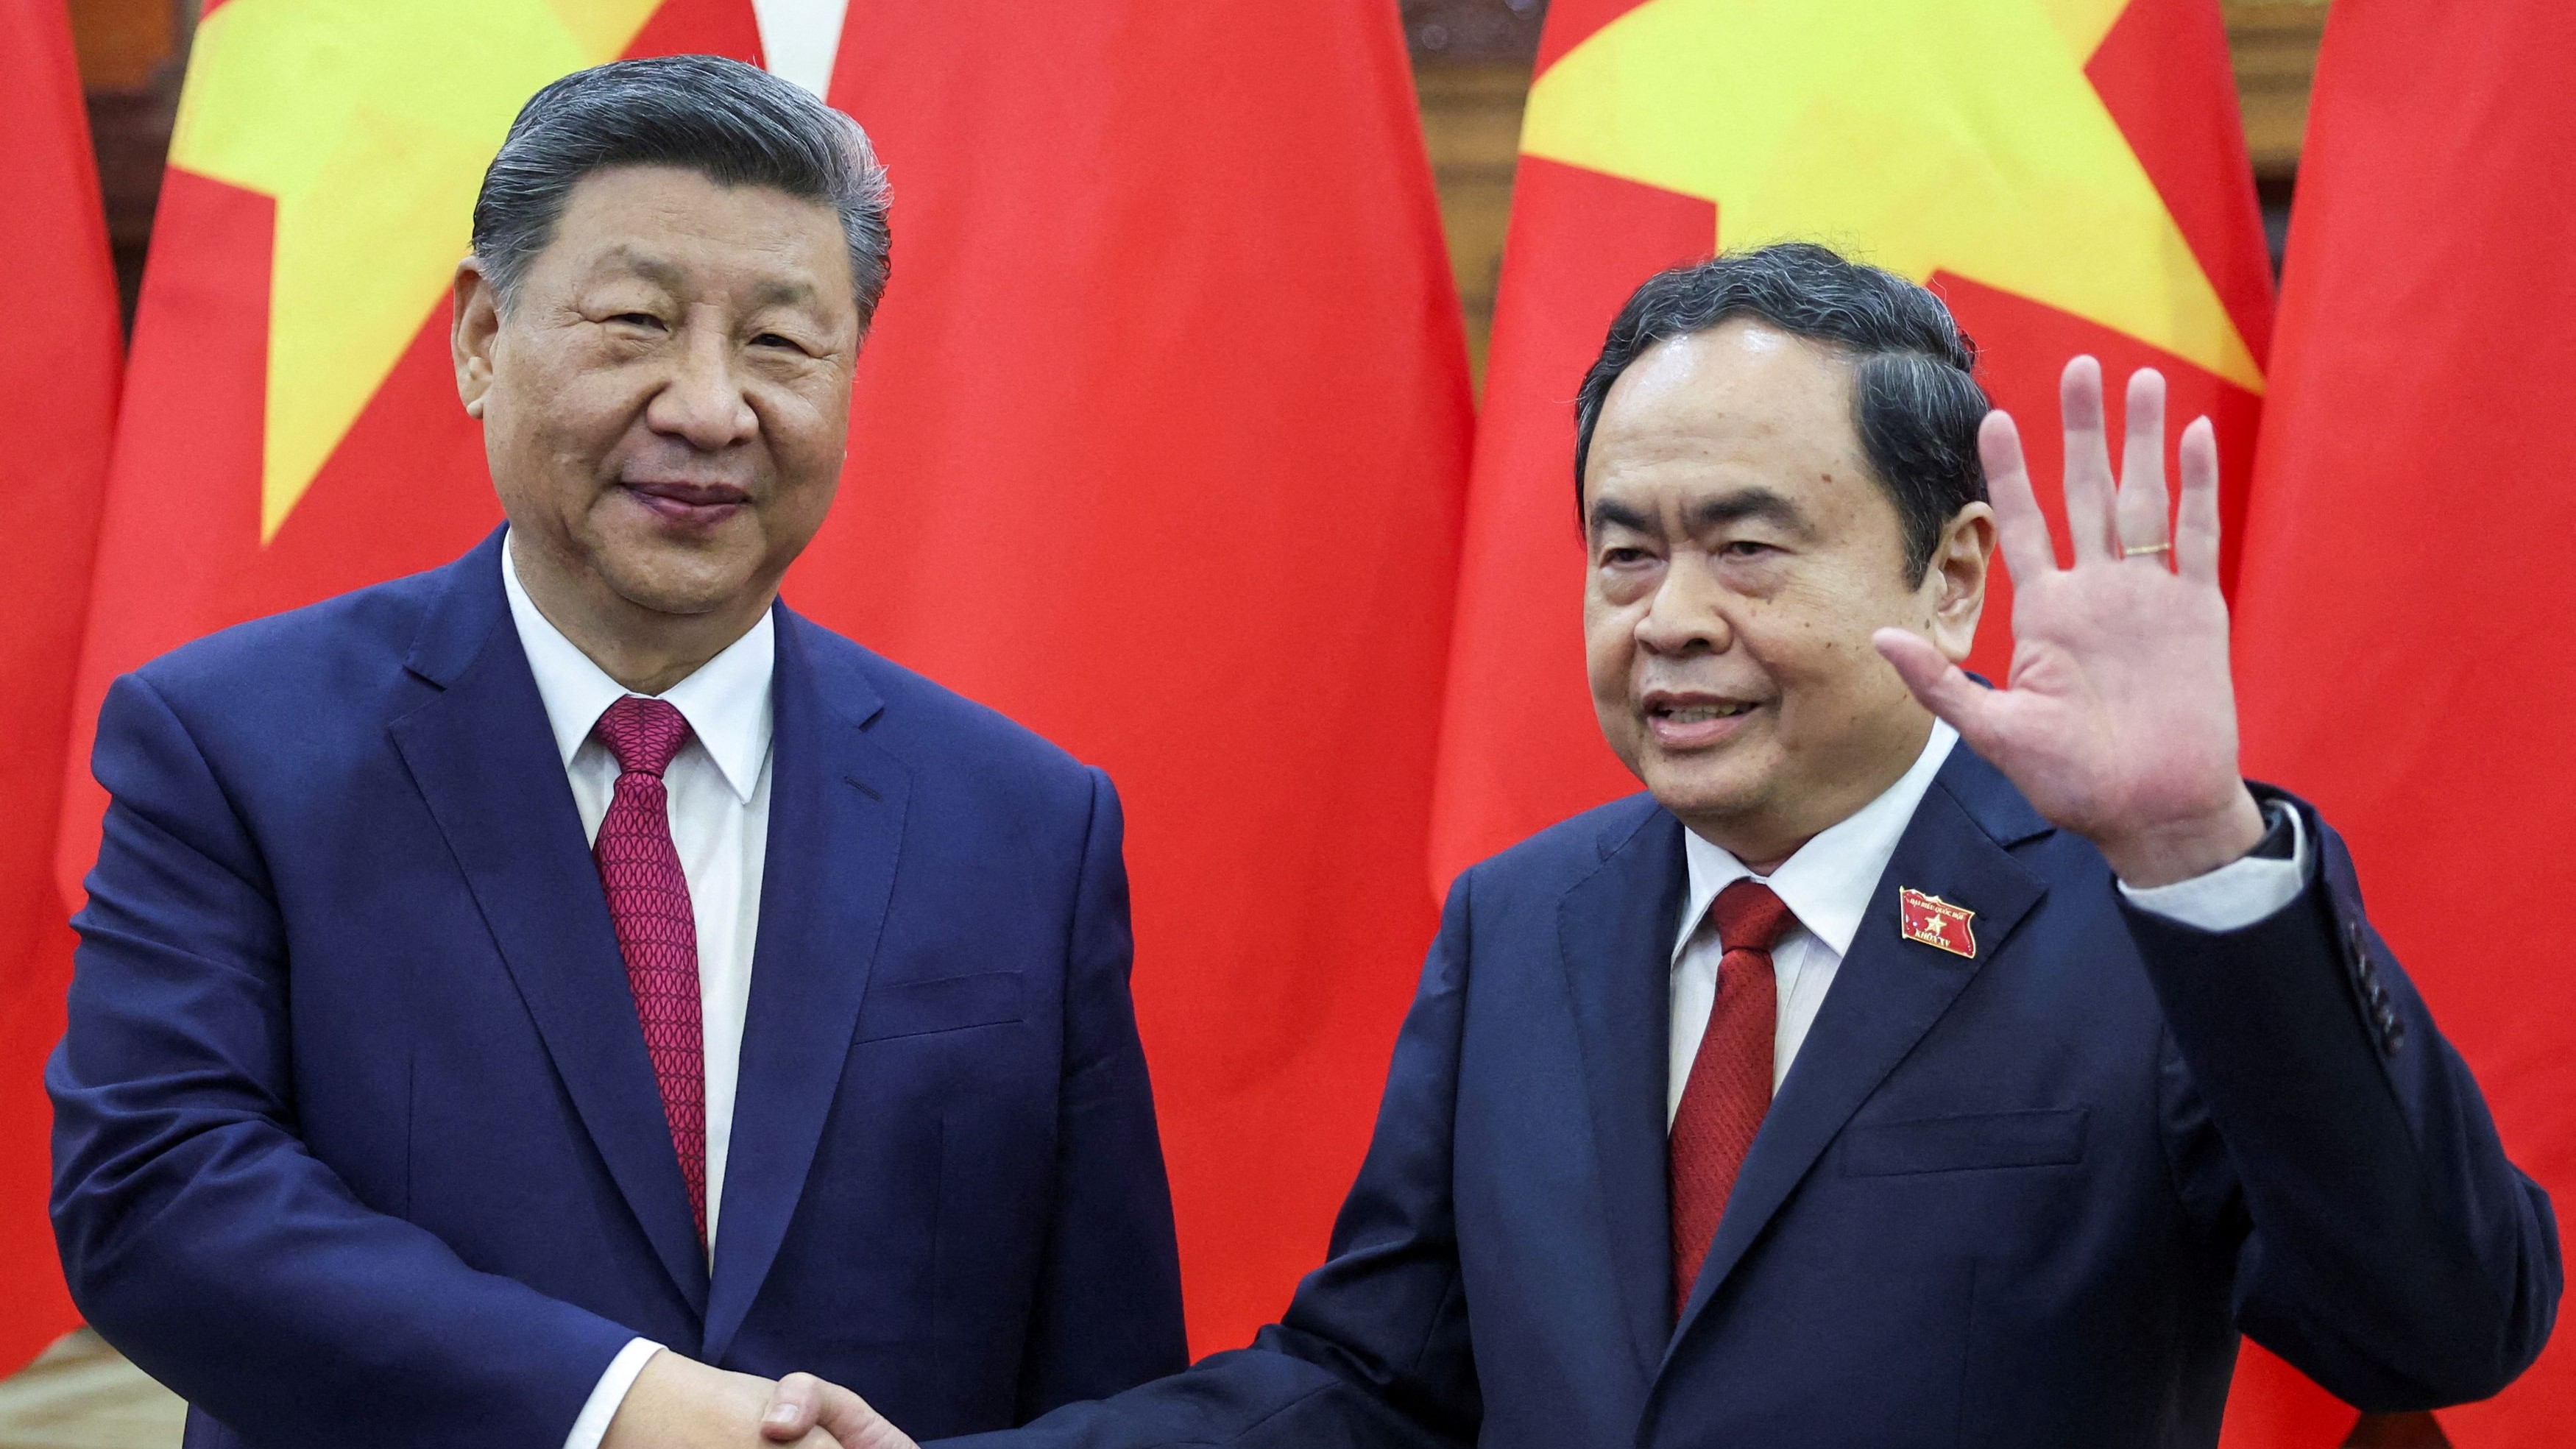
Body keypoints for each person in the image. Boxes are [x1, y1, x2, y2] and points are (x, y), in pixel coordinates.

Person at [762, 244, 2559, 1448]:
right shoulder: (1526, 919)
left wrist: (2199, 853)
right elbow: (1371, 1384)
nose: (1670, 618)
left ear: (1947, 573)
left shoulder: (2138, 913)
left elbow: (2438, 1329)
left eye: (1749, 547)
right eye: (1625, 554)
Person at [48, 55, 1186, 1449]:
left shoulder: (1027, 822)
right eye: (638, 320)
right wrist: (616, 1407)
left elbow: (1106, 1367)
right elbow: (160, 1196)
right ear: (480, 337)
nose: (711, 408)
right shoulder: (232, 748)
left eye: (781, 343)